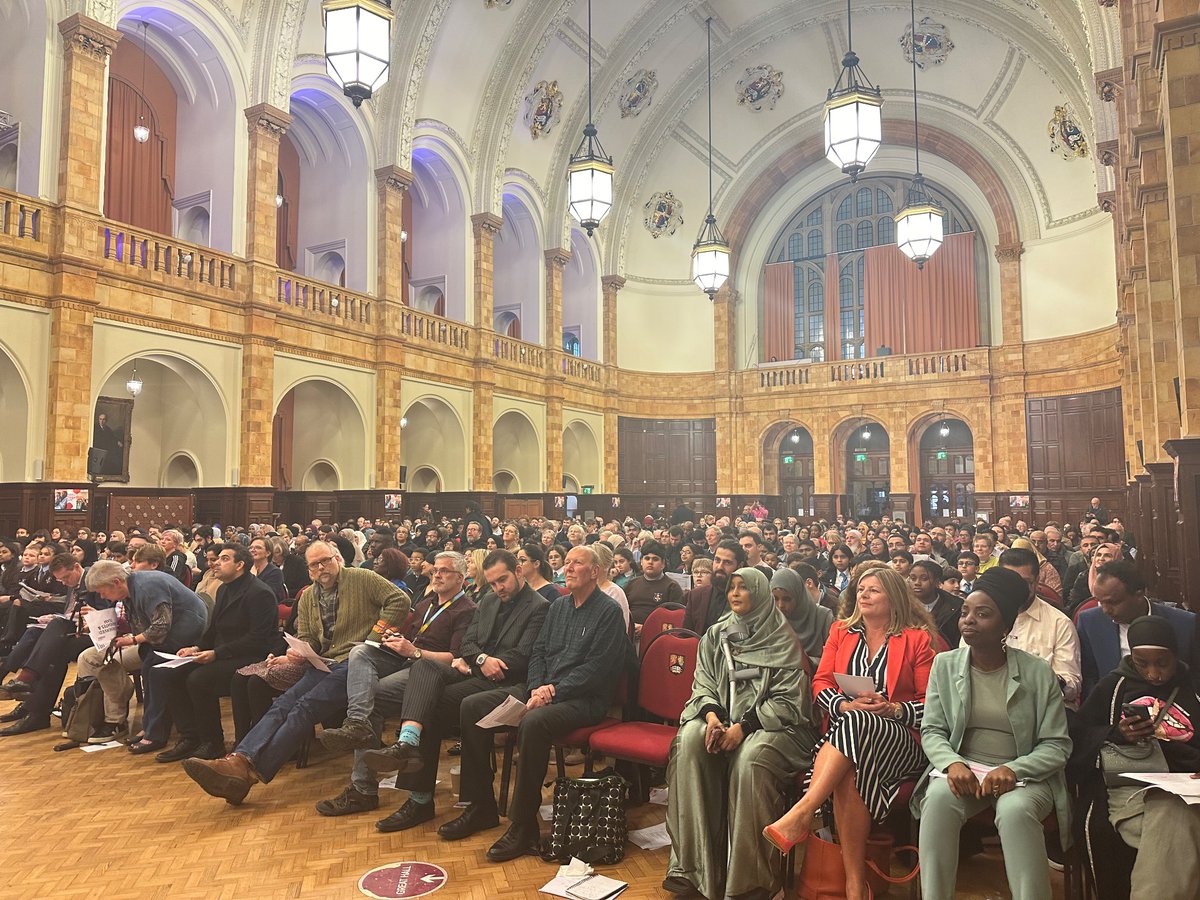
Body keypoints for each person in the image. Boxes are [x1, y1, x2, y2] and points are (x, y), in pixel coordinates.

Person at [181, 543, 410, 804]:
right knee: (283, 704)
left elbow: (399, 600)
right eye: (314, 564)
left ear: (337, 559)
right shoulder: (309, 596)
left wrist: (373, 638)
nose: (321, 568)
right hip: (326, 661)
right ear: (308, 569)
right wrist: (301, 651)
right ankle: (239, 760)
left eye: (325, 561)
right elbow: (309, 637)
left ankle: (249, 773)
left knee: (305, 706)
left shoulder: (361, 577)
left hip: (360, 660)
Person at [439, 545, 628, 862]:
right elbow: (538, 653)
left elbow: (597, 668)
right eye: (566, 563)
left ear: (595, 571)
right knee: (471, 706)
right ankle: (481, 805)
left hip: (585, 700)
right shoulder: (559, 607)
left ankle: (523, 825)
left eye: (577, 563)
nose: (568, 568)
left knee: (533, 722)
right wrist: (538, 686)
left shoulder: (608, 611)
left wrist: (551, 691)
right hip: (544, 691)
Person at [338, 549, 550, 831]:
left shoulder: (539, 606)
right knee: (425, 674)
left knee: (466, 706)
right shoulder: (488, 600)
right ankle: (413, 767)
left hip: (514, 683)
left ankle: (478, 806)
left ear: (519, 572)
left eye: (503, 580)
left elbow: (525, 655)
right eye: (493, 582)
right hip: (480, 674)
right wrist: (483, 659)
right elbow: (468, 645)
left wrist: (484, 661)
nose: (498, 588)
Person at [764, 567, 939, 900]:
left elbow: (932, 704)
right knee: (851, 767)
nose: (863, 594)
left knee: (859, 727)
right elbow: (821, 684)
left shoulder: (916, 638)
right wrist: (844, 706)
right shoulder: (841, 632)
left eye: (874, 590)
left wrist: (892, 709)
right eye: (861, 589)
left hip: (902, 739)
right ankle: (855, 886)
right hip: (851, 733)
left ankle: (804, 810)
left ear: (894, 598)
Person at [913, 567, 1073, 900]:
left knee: (1014, 810)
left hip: (1025, 774)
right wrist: (952, 763)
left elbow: (1057, 745)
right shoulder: (945, 664)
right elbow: (932, 729)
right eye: (966, 612)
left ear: (1006, 626)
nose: (968, 620)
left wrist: (1013, 769)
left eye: (983, 614)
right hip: (965, 768)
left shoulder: (1037, 672)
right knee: (939, 800)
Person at [664, 568, 817, 900]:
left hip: (776, 728)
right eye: (731, 587)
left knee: (750, 758)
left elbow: (790, 704)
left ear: (760, 594)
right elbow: (702, 684)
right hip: (726, 721)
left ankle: (751, 881)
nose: (734, 593)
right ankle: (693, 870)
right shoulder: (716, 635)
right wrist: (712, 718)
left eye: (743, 588)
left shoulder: (782, 639)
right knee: (690, 739)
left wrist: (743, 726)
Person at [1072, 615, 1200, 900]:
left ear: (1176, 655)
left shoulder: (1194, 687)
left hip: (1190, 789)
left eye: (1162, 663)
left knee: (1171, 814)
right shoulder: (1113, 687)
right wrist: (1115, 733)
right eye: (1143, 664)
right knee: (1176, 824)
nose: (1153, 674)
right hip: (1131, 790)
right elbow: (1077, 736)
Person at [315, 551, 474, 753]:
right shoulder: (426, 604)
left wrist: (415, 651)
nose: (437, 575)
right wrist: (393, 639)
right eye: (435, 570)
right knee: (360, 651)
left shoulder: (467, 610)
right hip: (405, 659)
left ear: (460, 577)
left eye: (444, 571)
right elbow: (411, 638)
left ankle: (362, 778)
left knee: (369, 695)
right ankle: (356, 722)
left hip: (428, 670)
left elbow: (455, 659)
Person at [153, 543, 278, 762]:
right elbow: (213, 629)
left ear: (240, 565)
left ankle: (212, 742)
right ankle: (190, 737)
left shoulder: (260, 593)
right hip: (223, 652)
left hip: (249, 656)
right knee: (168, 674)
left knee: (198, 679)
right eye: (218, 558)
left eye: (224, 559)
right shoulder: (223, 588)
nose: (216, 563)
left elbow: (258, 639)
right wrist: (197, 648)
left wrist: (217, 653)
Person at [80, 561, 209, 746]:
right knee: (148, 665)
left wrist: (131, 640)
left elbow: (160, 626)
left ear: (116, 581)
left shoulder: (147, 587)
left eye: (102, 591)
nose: (102, 596)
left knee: (153, 668)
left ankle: (155, 733)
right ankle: (150, 727)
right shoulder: (129, 588)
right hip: (167, 637)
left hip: (185, 635)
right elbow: (140, 624)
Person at [1078, 560, 1197, 700]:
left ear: (1139, 595)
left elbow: (1195, 678)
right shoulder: (1090, 622)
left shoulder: (1185, 624)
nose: (1105, 610)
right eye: (1100, 602)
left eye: (1113, 602)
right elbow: (1090, 677)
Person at [991, 547, 1082, 706]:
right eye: (1010, 581)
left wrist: (1044, 684)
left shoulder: (1059, 623)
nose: (1016, 588)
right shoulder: (983, 617)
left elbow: (1070, 682)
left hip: (1043, 708)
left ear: (1037, 580)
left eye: (1025, 582)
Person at [769, 564, 832, 665]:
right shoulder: (770, 619)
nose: (780, 605)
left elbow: (833, 659)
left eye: (787, 599)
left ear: (799, 596)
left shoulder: (822, 617)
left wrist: (800, 661)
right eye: (775, 599)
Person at [624, 539, 683, 629]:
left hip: (657, 636)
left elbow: (674, 620)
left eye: (655, 559)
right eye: (647, 558)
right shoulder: (631, 584)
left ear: (663, 564)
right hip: (629, 633)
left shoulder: (672, 587)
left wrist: (646, 628)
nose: (650, 562)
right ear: (641, 562)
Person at [909, 559, 961, 651]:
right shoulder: (903, 605)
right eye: (913, 578)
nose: (917, 583)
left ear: (937, 582)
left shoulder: (956, 606)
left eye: (924, 579)